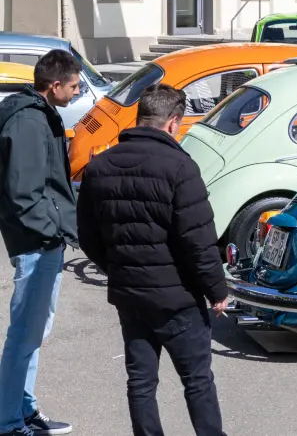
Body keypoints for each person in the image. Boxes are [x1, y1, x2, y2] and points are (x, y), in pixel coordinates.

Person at [76, 84, 229, 436]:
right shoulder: (181, 167)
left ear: (140, 115)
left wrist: (118, 268)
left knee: (141, 382)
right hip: (179, 300)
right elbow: (199, 241)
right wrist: (216, 291)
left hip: (131, 296)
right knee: (197, 381)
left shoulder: (99, 166)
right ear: (173, 122)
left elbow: (88, 236)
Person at [0, 50, 80, 436]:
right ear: (54, 85)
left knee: (32, 334)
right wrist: (54, 231)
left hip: (42, 241)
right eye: (75, 86)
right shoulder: (30, 122)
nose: (78, 93)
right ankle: (9, 421)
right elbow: (24, 192)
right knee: (24, 336)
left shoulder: (37, 113)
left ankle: (23, 409)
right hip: (37, 243)